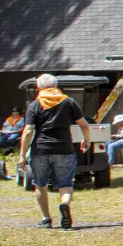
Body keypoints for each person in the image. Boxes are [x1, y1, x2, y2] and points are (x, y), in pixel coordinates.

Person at [18, 75, 84, 229]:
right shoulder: (68, 102)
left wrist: (22, 154)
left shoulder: (35, 105)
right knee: (65, 184)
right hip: (64, 149)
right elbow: (84, 125)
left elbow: (28, 131)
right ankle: (65, 203)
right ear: (56, 85)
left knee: (40, 185)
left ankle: (46, 218)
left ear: (39, 87)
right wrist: (86, 140)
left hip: (40, 150)